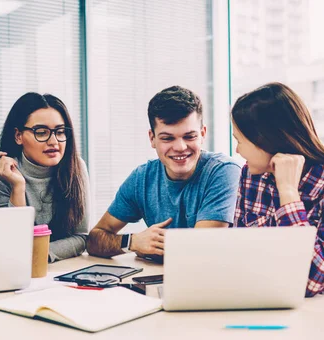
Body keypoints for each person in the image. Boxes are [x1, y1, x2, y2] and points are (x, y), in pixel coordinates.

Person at [231, 82, 324, 303]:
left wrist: (288, 194)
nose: (237, 150)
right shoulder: (252, 175)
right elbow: (241, 254)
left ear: (265, 139)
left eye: (240, 140)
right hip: (272, 300)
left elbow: (312, 279)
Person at [87, 86, 241, 260]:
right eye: (167, 138)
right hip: (156, 279)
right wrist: (133, 241)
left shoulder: (224, 172)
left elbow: (200, 249)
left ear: (203, 134)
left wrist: (153, 245)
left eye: (189, 136)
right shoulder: (142, 178)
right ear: (152, 138)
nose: (180, 147)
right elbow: (94, 239)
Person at [0, 93, 89, 263]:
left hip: (61, 269)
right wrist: (17, 187)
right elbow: (6, 243)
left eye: (60, 132)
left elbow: (81, 237)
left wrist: (38, 255)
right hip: (12, 269)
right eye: (41, 132)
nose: (54, 141)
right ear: (18, 136)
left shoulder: (76, 168)